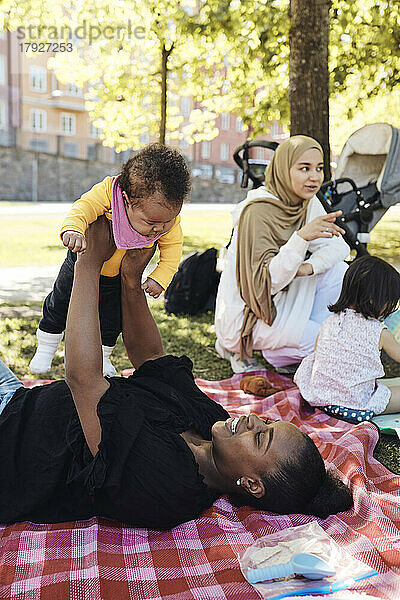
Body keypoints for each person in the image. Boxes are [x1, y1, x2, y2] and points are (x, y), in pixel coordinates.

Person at [0, 218, 352, 528]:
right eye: (268, 424)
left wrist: (88, 264)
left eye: (261, 438)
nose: (253, 422)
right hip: (16, 399)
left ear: (252, 484)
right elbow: (152, 360)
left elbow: (84, 380)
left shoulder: (168, 484)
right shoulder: (211, 424)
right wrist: (131, 280)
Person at [29, 143, 190, 377]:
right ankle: (46, 345)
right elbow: (84, 207)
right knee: (60, 302)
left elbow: (172, 251)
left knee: (112, 319)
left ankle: (103, 357)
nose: (159, 229)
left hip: (114, 279)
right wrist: (73, 229)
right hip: (80, 263)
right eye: (151, 223)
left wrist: (159, 278)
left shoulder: (168, 222)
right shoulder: (109, 193)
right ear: (125, 201)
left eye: (166, 222)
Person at [215, 135, 350, 373]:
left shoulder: (305, 202)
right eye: (304, 168)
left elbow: (340, 247)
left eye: (319, 168)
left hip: (282, 301)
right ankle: (271, 348)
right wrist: (300, 239)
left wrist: (307, 267)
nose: (315, 176)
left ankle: (284, 354)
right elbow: (264, 284)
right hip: (250, 314)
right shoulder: (257, 212)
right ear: (283, 169)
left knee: (340, 272)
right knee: (333, 346)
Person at [294, 255, 400, 423]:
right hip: (354, 406)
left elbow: (316, 356)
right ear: (375, 299)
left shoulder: (330, 321)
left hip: (317, 397)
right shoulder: (380, 332)